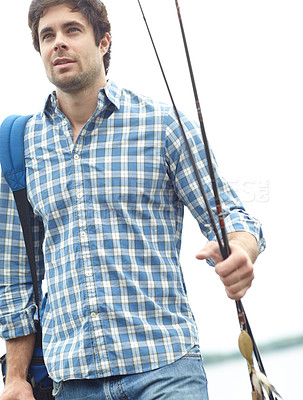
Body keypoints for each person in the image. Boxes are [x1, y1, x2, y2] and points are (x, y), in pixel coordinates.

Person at [0, 1, 265, 399]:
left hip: (165, 369)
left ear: (104, 41)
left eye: (72, 30)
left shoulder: (163, 125)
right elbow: (14, 276)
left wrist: (241, 250)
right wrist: (15, 378)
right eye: (47, 36)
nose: (58, 44)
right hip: (71, 379)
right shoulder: (20, 145)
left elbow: (230, 215)